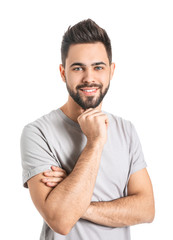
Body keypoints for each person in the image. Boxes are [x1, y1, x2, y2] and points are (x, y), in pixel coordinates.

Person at [20, 19, 155, 240]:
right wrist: (95, 142)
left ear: (111, 71)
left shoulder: (126, 130)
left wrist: (77, 204)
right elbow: (61, 221)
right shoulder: (37, 133)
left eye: (98, 67)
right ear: (63, 73)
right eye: (78, 68)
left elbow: (147, 209)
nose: (89, 77)